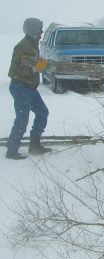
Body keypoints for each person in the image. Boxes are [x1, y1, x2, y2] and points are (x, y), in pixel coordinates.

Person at [6, 18, 51, 160]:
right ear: (32, 31)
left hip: (30, 87)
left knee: (42, 112)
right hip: (20, 86)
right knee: (22, 119)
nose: (41, 32)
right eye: (39, 29)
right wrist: (35, 68)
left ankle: (34, 145)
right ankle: (11, 151)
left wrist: (40, 66)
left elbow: (33, 64)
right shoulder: (23, 46)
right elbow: (15, 70)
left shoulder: (32, 45)